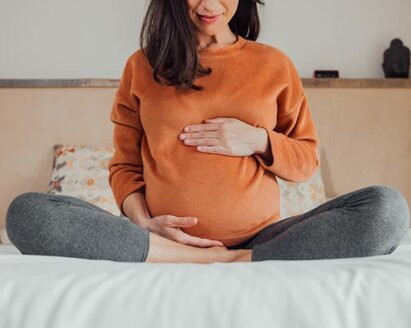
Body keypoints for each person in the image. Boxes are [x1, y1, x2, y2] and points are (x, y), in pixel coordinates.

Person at [6, 0, 410, 263]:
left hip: (264, 239)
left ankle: (241, 258)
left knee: (388, 209)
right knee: (26, 214)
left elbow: (306, 160)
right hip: (160, 243)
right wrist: (143, 223)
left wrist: (257, 140)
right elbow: (125, 166)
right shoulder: (142, 67)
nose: (210, 4)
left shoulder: (274, 65)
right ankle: (180, 255)